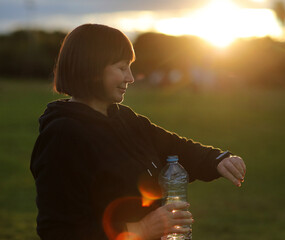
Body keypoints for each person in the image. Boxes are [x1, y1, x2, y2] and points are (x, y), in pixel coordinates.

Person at [30, 23, 246, 240]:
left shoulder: (123, 118)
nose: (130, 78)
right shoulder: (63, 136)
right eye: (122, 68)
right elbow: (58, 231)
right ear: (93, 69)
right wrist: (140, 229)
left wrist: (217, 160)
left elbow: (173, 147)